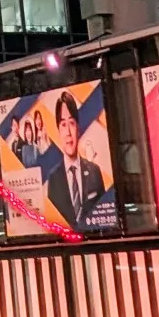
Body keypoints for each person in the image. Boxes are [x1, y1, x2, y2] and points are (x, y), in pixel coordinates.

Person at [47, 90, 110, 231]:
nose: (68, 132)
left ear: (78, 128)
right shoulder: (53, 178)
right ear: (58, 130)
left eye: (71, 123)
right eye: (63, 125)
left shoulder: (94, 171)